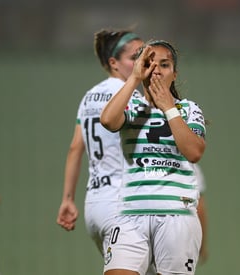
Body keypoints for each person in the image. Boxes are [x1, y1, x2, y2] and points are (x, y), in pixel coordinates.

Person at [100, 40, 206, 275]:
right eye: (149, 63)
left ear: (174, 74)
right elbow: (107, 120)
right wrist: (134, 79)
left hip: (176, 214)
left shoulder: (188, 109)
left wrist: (168, 107)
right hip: (130, 213)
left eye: (165, 65)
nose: (156, 69)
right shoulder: (131, 105)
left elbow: (194, 151)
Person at [56, 29, 144, 256]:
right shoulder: (131, 96)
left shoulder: (89, 96)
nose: (143, 63)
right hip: (122, 203)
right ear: (114, 62)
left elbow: (76, 148)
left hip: (94, 206)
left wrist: (67, 199)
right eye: (135, 57)